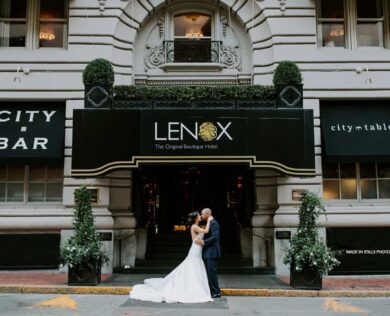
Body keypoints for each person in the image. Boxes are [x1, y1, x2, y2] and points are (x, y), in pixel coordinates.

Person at [129, 211, 213, 303]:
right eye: (198, 215)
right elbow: (206, 231)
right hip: (196, 248)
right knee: (193, 263)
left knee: (194, 264)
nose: (200, 216)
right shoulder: (194, 226)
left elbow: (196, 238)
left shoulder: (197, 226)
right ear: (195, 218)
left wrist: (199, 239)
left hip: (197, 247)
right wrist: (209, 220)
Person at [195, 208, 221, 298]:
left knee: (211, 273)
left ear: (207, 214)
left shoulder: (214, 223)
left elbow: (215, 237)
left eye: (202, 214)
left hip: (212, 253)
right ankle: (211, 291)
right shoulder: (210, 223)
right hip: (208, 252)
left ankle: (216, 292)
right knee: (209, 273)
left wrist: (203, 242)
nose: (201, 216)